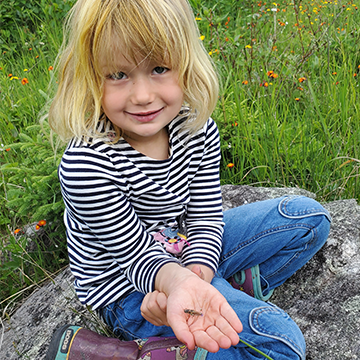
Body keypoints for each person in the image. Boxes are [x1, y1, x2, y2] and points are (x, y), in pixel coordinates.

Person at [45, 0, 331, 359]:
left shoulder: (196, 129)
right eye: (117, 75)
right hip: (126, 287)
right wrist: (176, 284)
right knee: (281, 345)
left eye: (159, 68)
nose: (143, 95)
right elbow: (132, 253)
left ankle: (215, 299)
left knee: (307, 219)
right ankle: (144, 350)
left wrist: (199, 271)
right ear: (90, 77)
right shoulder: (87, 164)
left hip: (180, 249)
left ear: (186, 64)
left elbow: (205, 215)